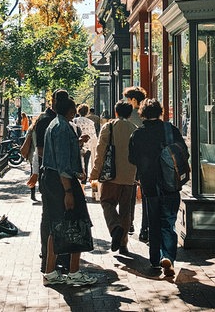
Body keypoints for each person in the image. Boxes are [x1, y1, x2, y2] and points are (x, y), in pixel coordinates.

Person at [41, 96, 97, 286]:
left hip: (52, 179)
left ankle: (50, 272)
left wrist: (77, 143)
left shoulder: (55, 124)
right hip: (61, 182)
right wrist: (68, 191)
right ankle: (74, 271)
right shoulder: (63, 127)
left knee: (56, 225)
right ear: (71, 110)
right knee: (76, 222)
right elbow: (63, 163)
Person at [129, 98, 186, 277]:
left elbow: (132, 159)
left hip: (149, 184)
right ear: (160, 111)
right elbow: (184, 152)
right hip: (170, 183)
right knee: (168, 222)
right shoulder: (171, 130)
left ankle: (155, 259)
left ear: (143, 113)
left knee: (153, 221)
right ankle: (167, 255)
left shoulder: (138, 134)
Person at [89, 101, 137, 255]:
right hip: (129, 176)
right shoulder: (134, 129)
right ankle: (123, 244)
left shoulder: (108, 127)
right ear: (129, 114)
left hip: (111, 176)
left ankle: (115, 227)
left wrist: (95, 173)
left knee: (107, 202)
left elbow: (100, 152)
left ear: (116, 112)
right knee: (125, 210)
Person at [35, 89, 71, 273]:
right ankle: (49, 257)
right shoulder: (46, 122)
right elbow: (40, 150)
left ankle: (57, 256)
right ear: (53, 101)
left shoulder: (58, 122)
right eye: (60, 99)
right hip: (52, 175)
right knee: (50, 217)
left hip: (51, 174)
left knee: (56, 217)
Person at [123, 86, 146, 240]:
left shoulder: (129, 116)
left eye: (128, 99)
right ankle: (145, 227)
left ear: (134, 100)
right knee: (146, 196)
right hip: (146, 160)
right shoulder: (144, 115)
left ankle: (129, 222)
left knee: (130, 194)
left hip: (131, 161)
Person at [74, 104, 97, 183]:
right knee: (86, 165)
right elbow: (93, 135)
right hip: (88, 146)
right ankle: (83, 185)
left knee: (77, 165)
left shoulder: (75, 121)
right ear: (87, 112)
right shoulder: (91, 122)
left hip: (77, 145)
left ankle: (78, 183)